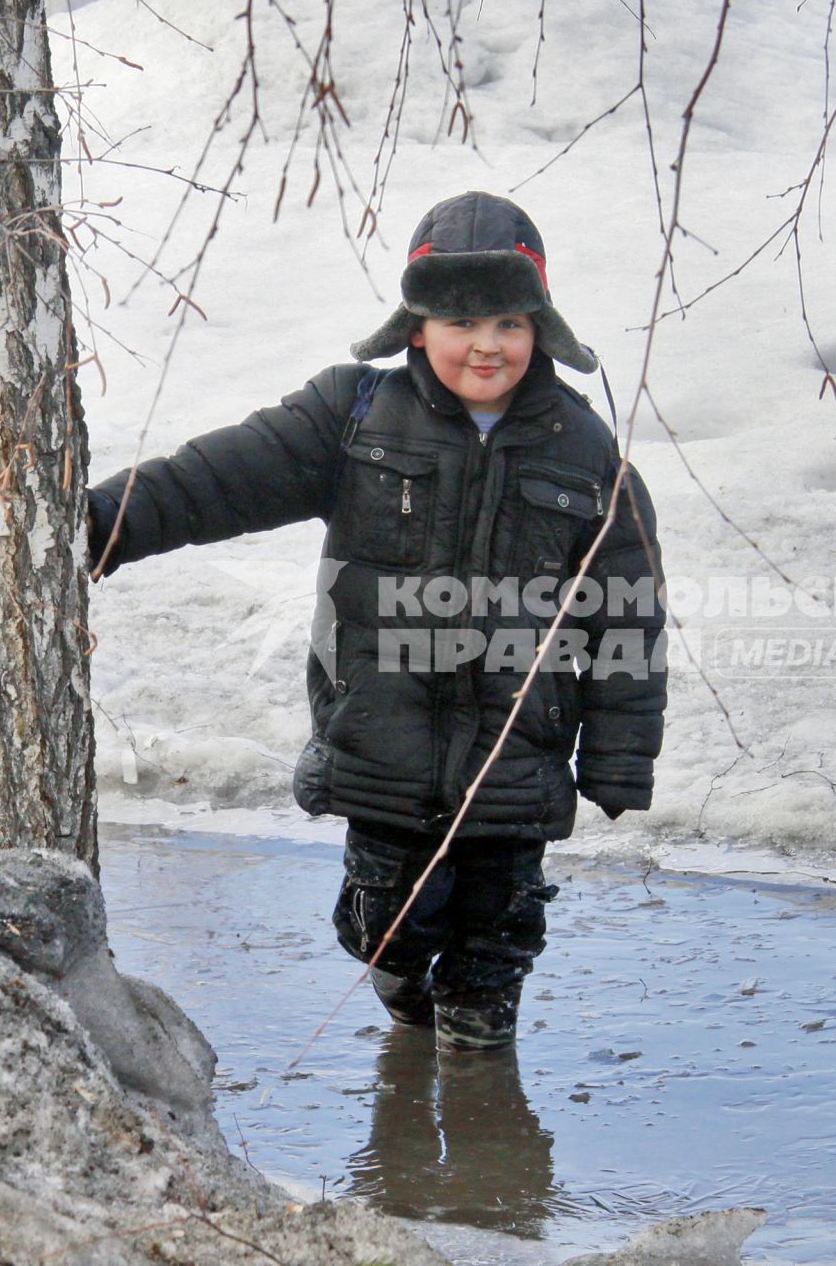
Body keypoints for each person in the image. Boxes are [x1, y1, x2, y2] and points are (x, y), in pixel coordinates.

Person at [86, 192, 668, 1052]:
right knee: (384, 929)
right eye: (461, 319)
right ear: (416, 325)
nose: (487, 344)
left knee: (496, 952)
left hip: (515, 762)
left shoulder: (584, 452)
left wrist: (619, 758)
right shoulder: (350, 418)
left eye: (510, 320)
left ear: (541, 326)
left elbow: (627, 617)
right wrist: (90, 527)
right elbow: (216, 480)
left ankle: (482, 1121)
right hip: (383, 748)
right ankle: (399, 987)